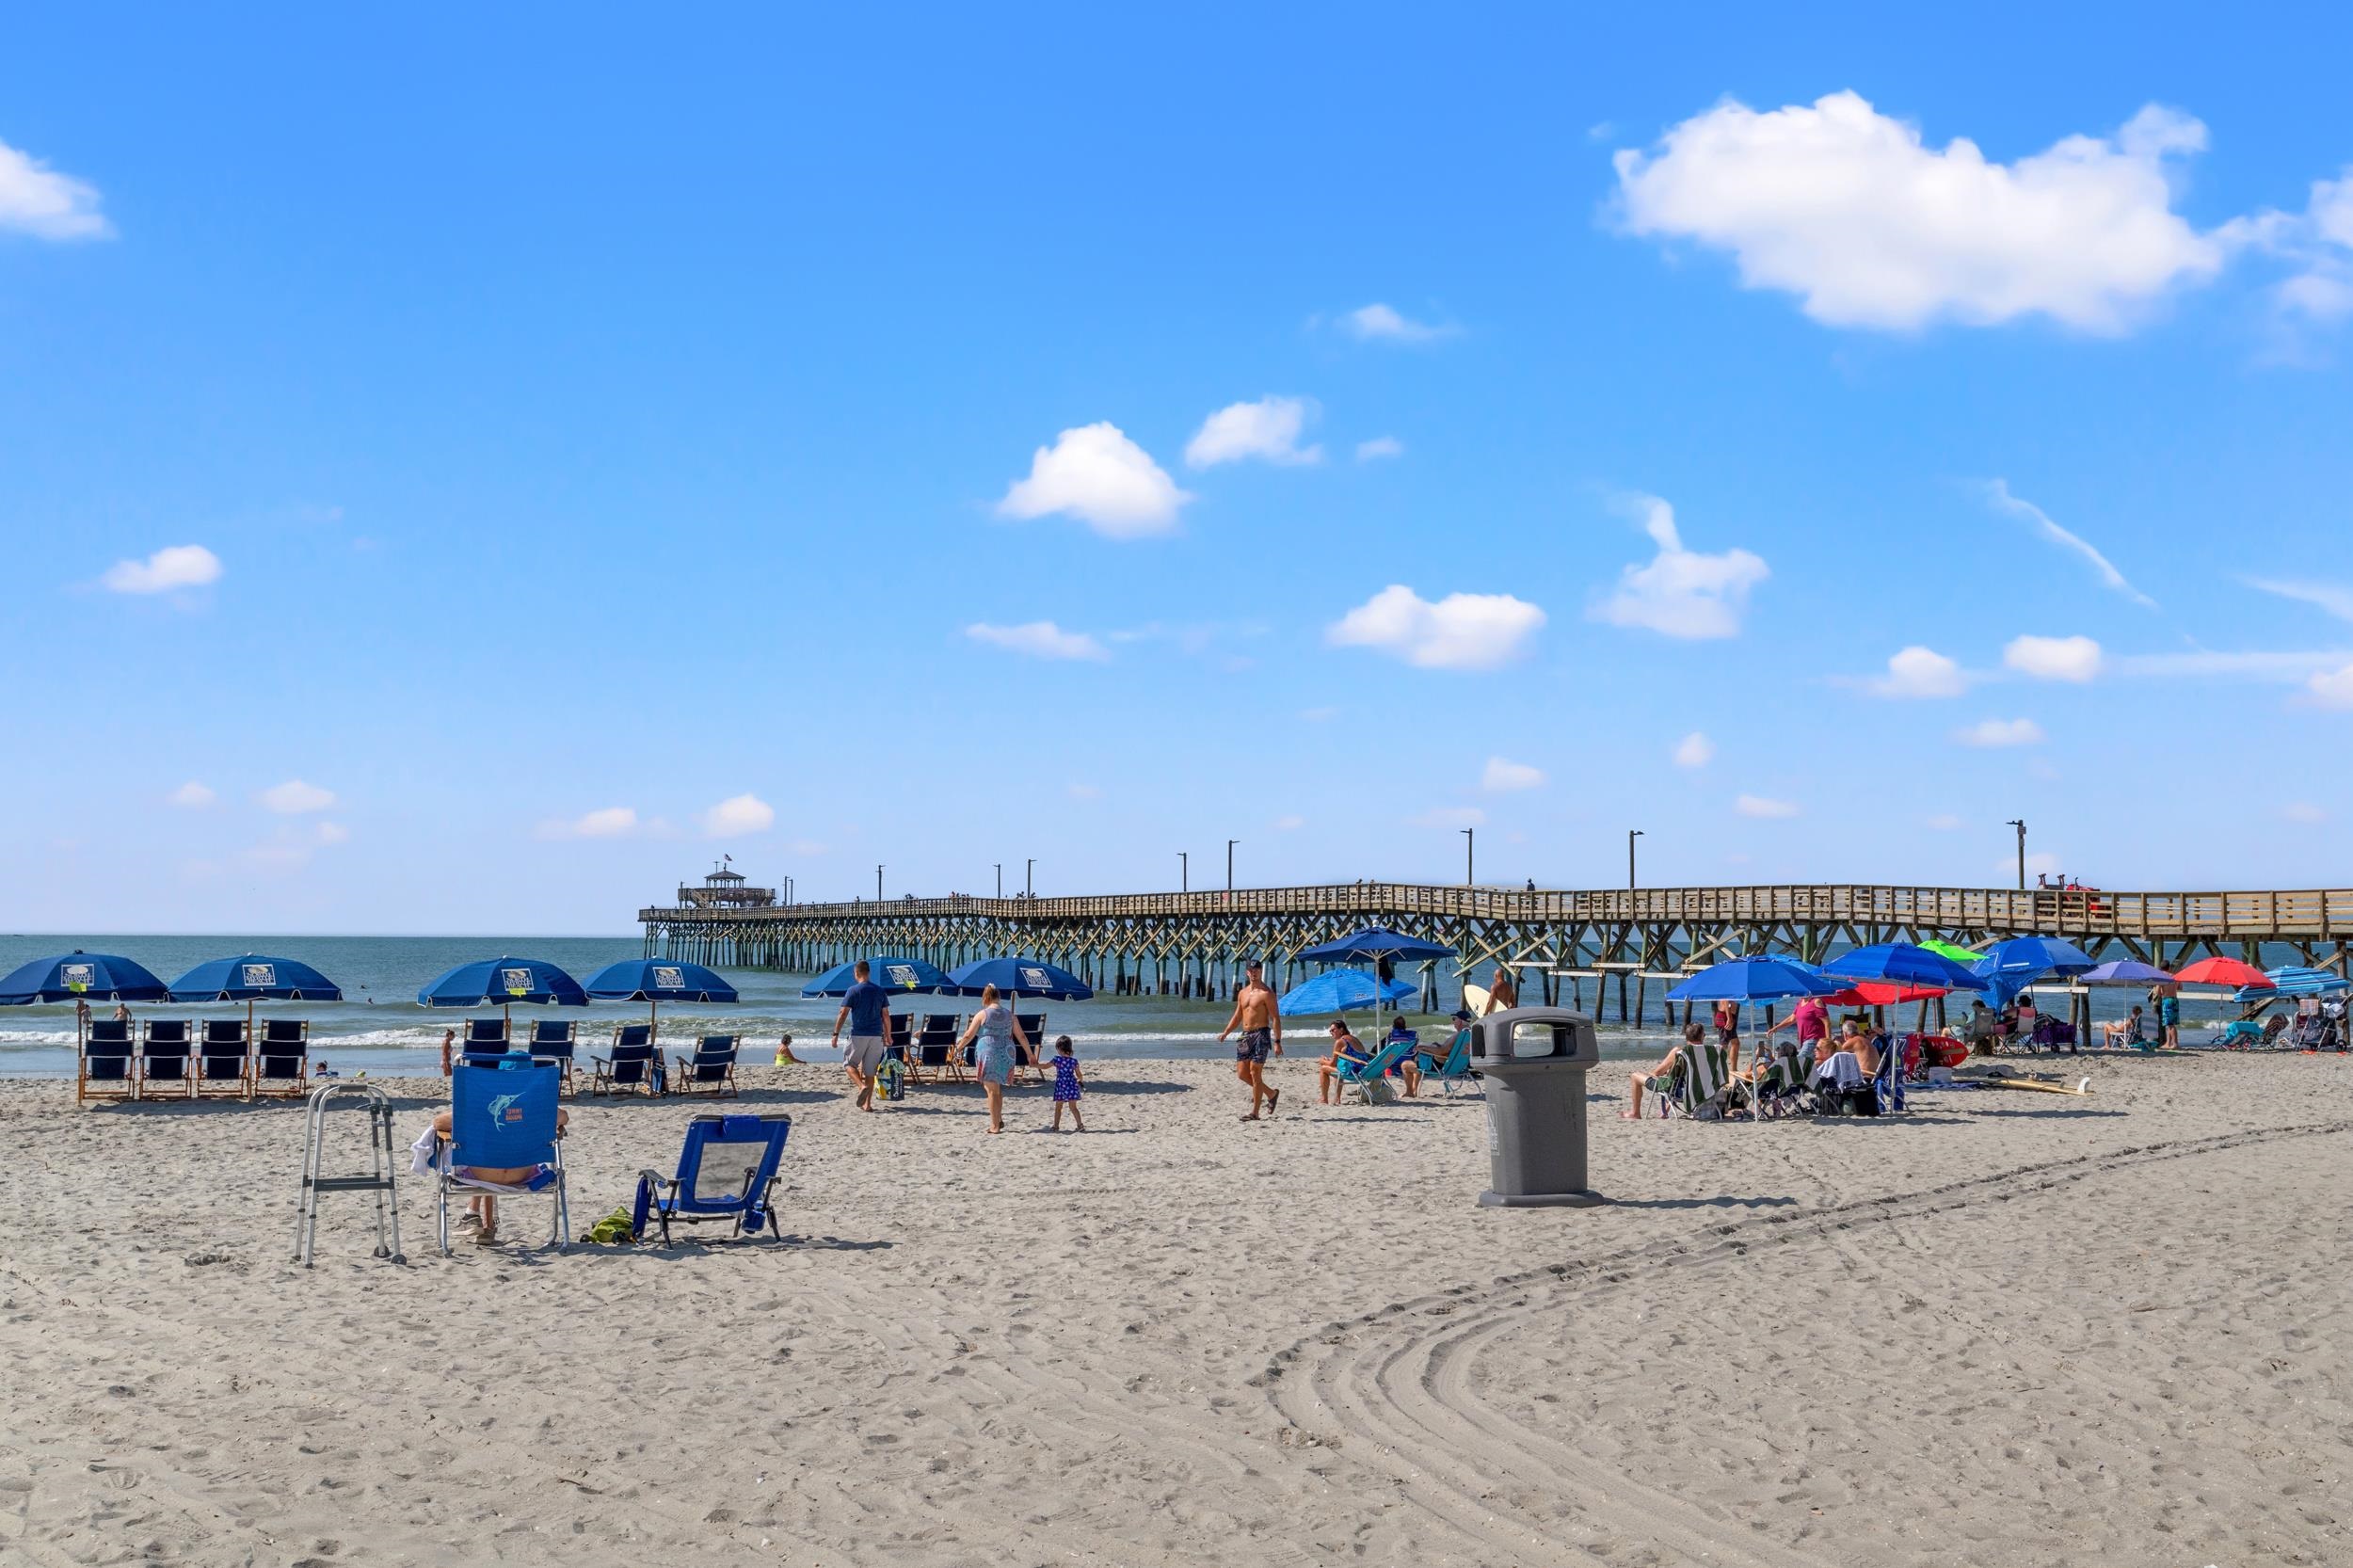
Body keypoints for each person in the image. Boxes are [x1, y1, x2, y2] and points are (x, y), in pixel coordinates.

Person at [431, 1096, 568, 1245]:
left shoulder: (477, 1106)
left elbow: (438, 1123)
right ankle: (477, 1216)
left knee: (484, 1146)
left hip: (481, 1175)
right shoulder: (533, 1102)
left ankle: (473, 1214)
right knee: (500, 1143)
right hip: (521, 1174)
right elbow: (564, 1117)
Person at [956, 983, 1029, 1133]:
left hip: (989, 1051)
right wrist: (1030, 1054)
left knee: (991, 1090)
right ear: (999, 997)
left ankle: (995, 1126)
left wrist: (958, 1048)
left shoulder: (982, 1014)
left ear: (986, 997)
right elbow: (1020, 1035)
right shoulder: (1010, 1015)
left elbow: (969, 1035)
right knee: (997, 1088)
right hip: (1007, 1052)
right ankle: (999, 1119)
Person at [1217, 958, 1283, 1120]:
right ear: (1247, 972)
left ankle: (1255, 1113)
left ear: (1261, 972)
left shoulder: (1267, 994)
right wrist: (1226, 1032)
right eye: (1251, 971)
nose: (1254, 973)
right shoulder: (1243, 993)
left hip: (1261, 1034)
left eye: (1257, 971)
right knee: (1241, 1074)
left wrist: (1277, 1042)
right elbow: (1238, 1015)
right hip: (1245, 1036)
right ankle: (1271, 1093)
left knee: (1255, 1073)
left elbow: (1275, 1018)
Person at [830, 960, 889, 1112]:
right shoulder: (880, 990)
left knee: (849, 1065)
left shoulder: (853, 990)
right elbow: (886, 1015)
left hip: (858, 1034)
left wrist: (835, 1034)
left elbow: (843, 1013)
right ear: (869, 973)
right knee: (870, 1071)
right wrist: (888, 1035)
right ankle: (867, 1105)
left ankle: (861, 1086)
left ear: (856, 973)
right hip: (877, 1036)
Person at [1623, 1023, 1703, 1119]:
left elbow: (1656, 1073)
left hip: (1681, 1092)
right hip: (1702, 1092)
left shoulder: (1680, 1051)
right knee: (1676, 1075)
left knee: (1635, 1076)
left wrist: (1664, 1072)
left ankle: (1635, 1113)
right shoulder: (1709, 1054)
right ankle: (1665, 1109)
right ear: (1702, 1036)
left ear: (1686, 1037)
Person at [1316, 1019, 1370, 1103]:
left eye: (1333, 1030)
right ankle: (1337, 1098)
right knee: (1338, 1067)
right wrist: (1328, 1061)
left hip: (1353, 1072)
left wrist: (1323, 1061)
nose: (1331, 1032)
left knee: (1323, 1069)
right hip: (1363, 1070)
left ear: (1341, 1030)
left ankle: (1324, 1099)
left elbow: (1332, 1063)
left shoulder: (1340, 1041)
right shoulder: (1354, 1038)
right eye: (1330, 1031)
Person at [1048, 1034, 1085, 1132]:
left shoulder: (1057, 1059)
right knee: (1073, 1108)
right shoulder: (1074, 1061)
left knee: (1058, 1108)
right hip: (1072, 1086)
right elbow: (1080, 1076)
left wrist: (1035, 1065)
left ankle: (1056, 1126)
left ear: (1060, 1048)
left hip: (1061, 1087)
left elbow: (1045, 1066)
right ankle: (1080, 1125)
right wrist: (1079, 1081)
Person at [1382, 1016, 1426, 1096]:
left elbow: (1387, 1049)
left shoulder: (1391, 1035)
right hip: (1408, 1059)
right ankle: (1414, 1090)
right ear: (1405, 1026)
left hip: (1394, 1063)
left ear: (1394, 1026)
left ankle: (1410, 1092)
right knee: (1415, 1067)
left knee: (1411, 1066)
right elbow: (1414, 1050)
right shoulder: (1413, 1034)